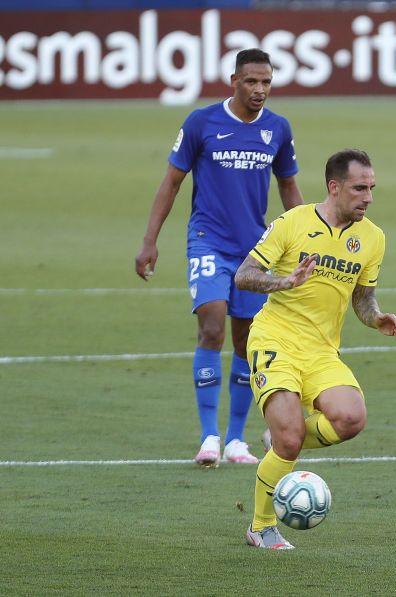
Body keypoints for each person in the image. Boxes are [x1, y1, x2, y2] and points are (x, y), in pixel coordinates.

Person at [134, 49, 303, 467]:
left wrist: (304, 243)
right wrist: (149, 241)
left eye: (266, 82)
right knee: (212, 324)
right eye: (251, 81)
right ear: (234, 80)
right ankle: (209, 435)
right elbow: (171, 183)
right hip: (207, 241)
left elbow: (289, 190)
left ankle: (235, 440)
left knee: (247, 338)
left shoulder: (278, 130)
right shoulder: (201, 122)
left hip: (256, 250)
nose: (260, 89)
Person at [234, 149, 396, 550]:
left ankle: (278, 439)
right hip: (276, 339)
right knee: (290, 440)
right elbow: (245, 275)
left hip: (322, 351)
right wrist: (284, 283)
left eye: (372, 189)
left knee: (350, 418)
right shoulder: (293, 223)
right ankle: (261, 526)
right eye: (360, 188)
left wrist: (376, 317)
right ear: (334, 187)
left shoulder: (373, 239)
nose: (368, 197)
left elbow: (363, 298)